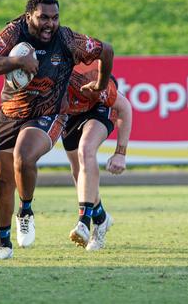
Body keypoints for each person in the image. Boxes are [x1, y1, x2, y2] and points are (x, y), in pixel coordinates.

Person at [0, 0, 114, 261]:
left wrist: (100, 84)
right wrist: (17, 61)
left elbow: (106, 50)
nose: (50, 24)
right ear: (29, 16)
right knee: (2, 181)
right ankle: (3, 244)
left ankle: (25, 211)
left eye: (54, 17)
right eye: (43, 17)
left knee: (23, 156)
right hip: (9, 113)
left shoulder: (66, 40)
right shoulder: (13, 33)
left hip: (49, 113)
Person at [63, 64, 132, 251]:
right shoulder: (45, 83)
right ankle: (101, 219)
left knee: (86, 150)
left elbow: (125, 107)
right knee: (79, 173)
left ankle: (83, 222)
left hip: (98, 107)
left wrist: (120, 153)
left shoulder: (88, 83)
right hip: (72, 114)